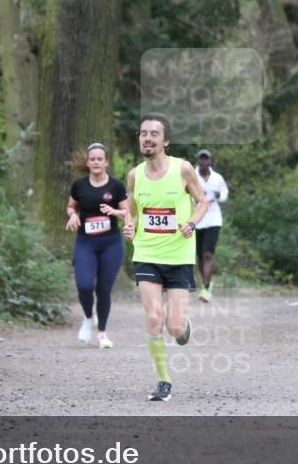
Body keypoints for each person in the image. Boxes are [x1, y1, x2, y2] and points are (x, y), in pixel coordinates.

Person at [123, 113, 209, 401]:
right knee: (153, 318)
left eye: (154, 134)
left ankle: (182, 326)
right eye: (143, 133)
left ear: (166, 141)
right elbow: (132, 208)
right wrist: (129, 223)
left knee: (173, 326)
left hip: (179, 256)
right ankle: (163, 382)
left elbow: (202, 201)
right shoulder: (134, 174)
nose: (147, 138)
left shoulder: (183, 169)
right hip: (146, 253)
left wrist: (192, 223)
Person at [66, 143, 129, 349]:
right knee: (84, 285)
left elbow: (128, 214)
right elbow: (70, 206)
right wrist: (73, 215)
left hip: (111, 244)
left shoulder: (116, 187)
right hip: (86, 243)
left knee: (103, 289)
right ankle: (87, 317)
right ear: (88, 162)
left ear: (106, 162)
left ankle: (102, 333)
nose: (95, 162)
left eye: (99, 159)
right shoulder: (79, 186)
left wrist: (114, 212)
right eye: (92, 159)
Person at [193, 149, 229, 303]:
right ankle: (206, 282)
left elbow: (225, 193)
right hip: (196, 219)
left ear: (210, 161)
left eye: (206, 159)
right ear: (198, 161)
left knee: (208, 254)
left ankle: (206, 288)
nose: (203, 161)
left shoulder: (217, 178)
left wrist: (218, 194)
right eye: (201, 159)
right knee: (200, 256)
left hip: (213, 219)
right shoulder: (192, 176)